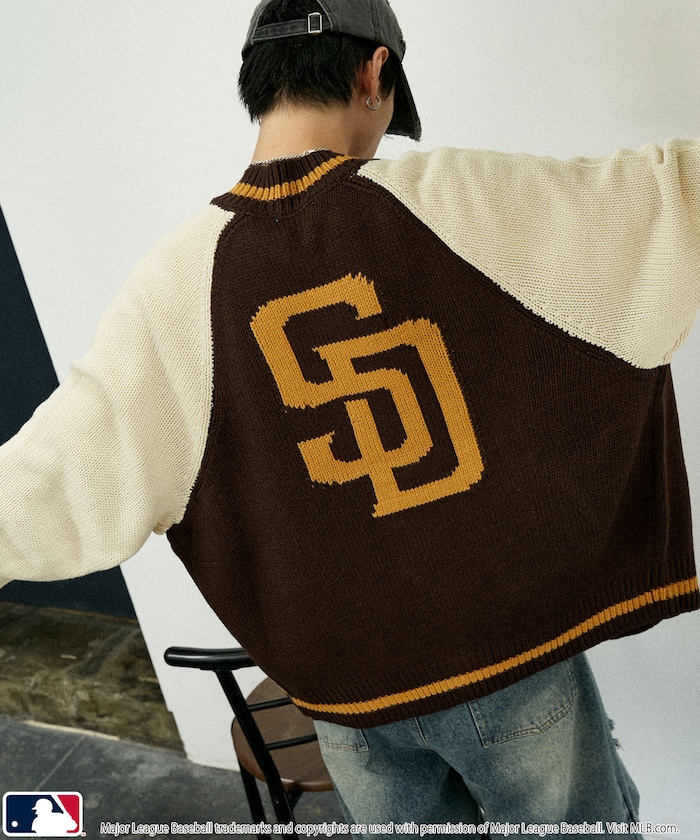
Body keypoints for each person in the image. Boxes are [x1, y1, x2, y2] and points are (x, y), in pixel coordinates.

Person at [0, 0, 698, 834]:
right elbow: (674, 200)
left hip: (344, 697)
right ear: (374, 72)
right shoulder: (459, 201)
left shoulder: (170, 292)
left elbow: (48, 481)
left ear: (259, 84)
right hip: (506, 663)